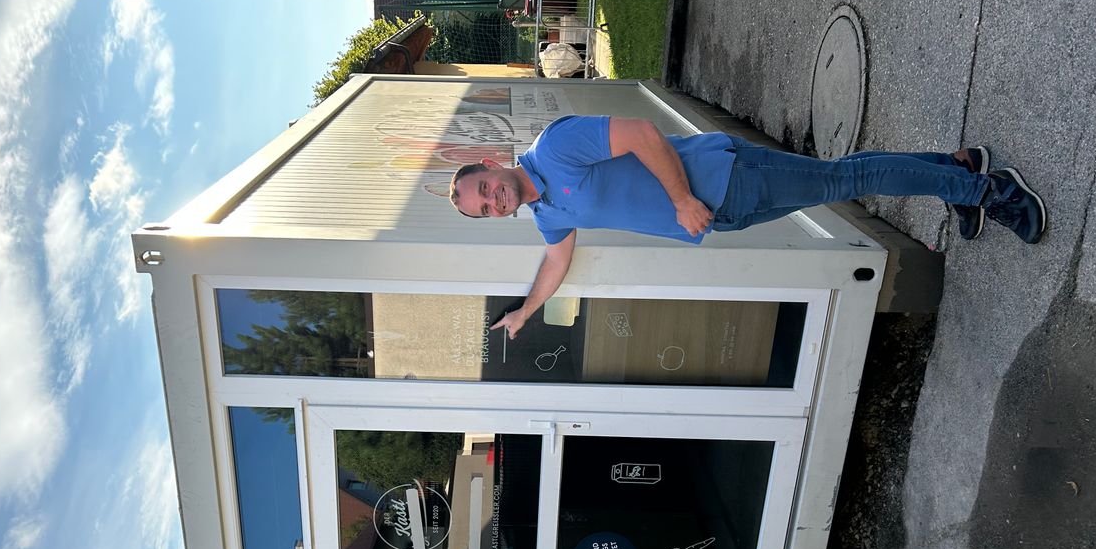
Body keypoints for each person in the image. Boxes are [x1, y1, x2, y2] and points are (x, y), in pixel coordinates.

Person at [448, 115, 1047, 339]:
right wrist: (526, 313)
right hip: (722, 214)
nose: (492, 200)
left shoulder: (553, 149)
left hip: (720, 178)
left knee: (845, 181)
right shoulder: (546, 214)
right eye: (484, 210)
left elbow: (641, 135)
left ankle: (987, 190)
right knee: (842, 179)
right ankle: (959, 169)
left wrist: (681, 198)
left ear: (494, 164)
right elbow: (556, 261)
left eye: (484, 188)